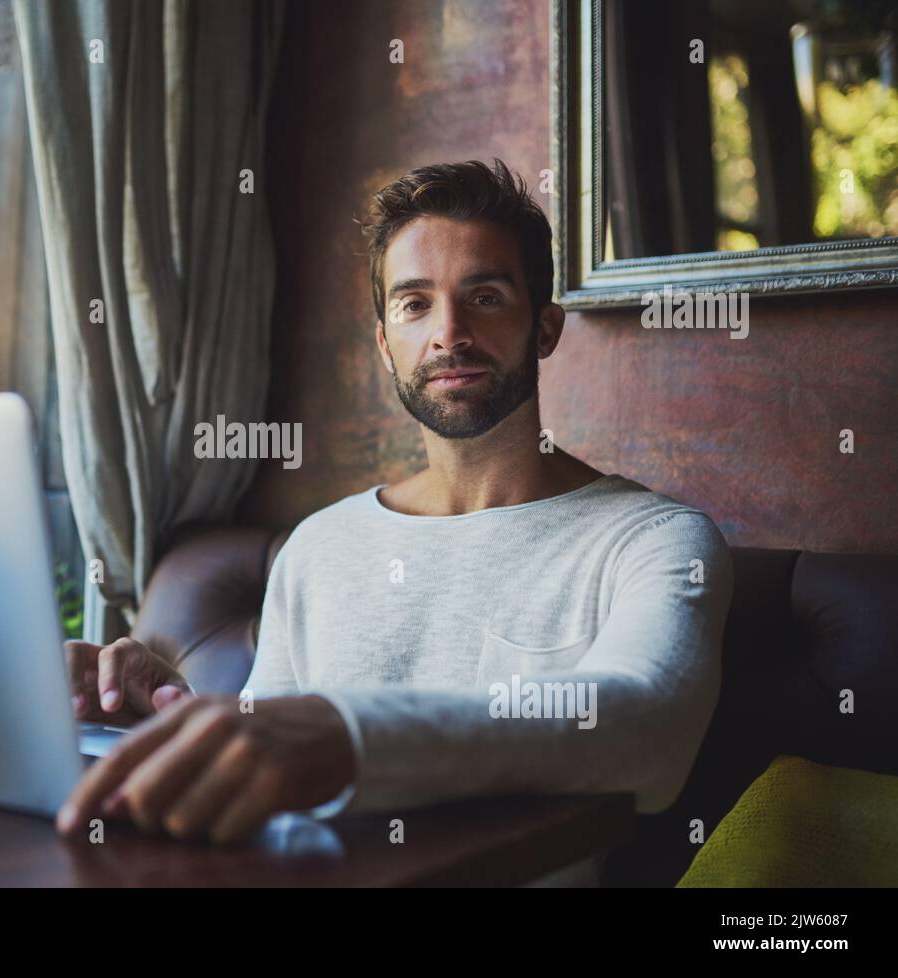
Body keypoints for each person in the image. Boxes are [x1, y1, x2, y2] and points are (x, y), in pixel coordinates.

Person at [55, 160, 732, 854]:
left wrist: (346, 739)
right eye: (414, 304)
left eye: (487, 296)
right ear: (385, 345)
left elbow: (649, 728)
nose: (449, 334)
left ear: (546, 329)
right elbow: (267, 742)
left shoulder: (656, 541)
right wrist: (162, 722)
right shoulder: (319, 545)